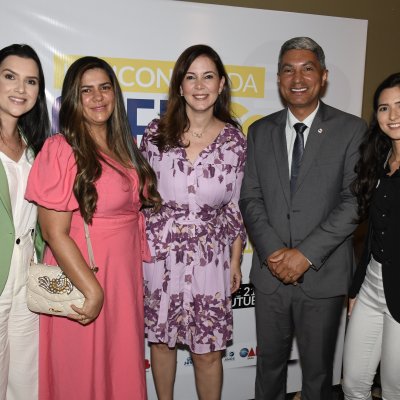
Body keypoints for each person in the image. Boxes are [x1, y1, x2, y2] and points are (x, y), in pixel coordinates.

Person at [25, 56, 161, 400]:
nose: (97, 97)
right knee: (82, 372)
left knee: (120, 367)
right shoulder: (61, 149)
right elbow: (54, 233)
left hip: (123, 278)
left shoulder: (124, 145)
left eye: (105, 87)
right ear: (72, 99)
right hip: (84, 277)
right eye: (86, 90)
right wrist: (93, 290)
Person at [239, 37, 367, 400]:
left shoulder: (352, 129)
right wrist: (273, 252)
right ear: (278, 78)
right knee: (268, 372)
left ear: (322, 77)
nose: (297, 77)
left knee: (318, 376)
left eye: (307, 68)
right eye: (288, 69)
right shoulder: (259, 131)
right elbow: (250, 197)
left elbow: (354, 201)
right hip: (270, 275)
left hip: (322, 276)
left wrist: (304, 255)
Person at [140, 44, 246, 400]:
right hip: (161, 256)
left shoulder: (235, 141)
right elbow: (141, 198)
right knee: (162, 343)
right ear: (180, 86)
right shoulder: (155, 134)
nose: (200, 86)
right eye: (191, 77)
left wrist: (235, 261)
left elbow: (235, 206)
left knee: (208, 352)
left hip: (210, 258)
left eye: (208, 76)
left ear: (221, 84)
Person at [342, 72, 400, 400]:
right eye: (383, 108)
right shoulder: (378, 160)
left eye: (399, 105)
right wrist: (356, 286)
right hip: (371, 288)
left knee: (393, 389)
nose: (392, 116)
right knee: (353, 384)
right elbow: (372, 234)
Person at [0, 43, 49, 400]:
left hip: (27, 281)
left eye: (30, 81)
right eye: (10, 77)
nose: (20, 88)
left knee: (27, 380)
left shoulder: (35, 146)